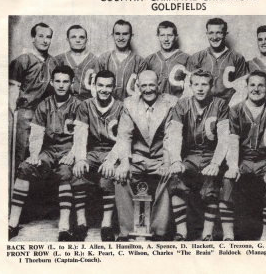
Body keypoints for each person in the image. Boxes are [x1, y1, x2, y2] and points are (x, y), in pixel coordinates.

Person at [9, 65, 81, 241]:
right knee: (25, 167)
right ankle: (12, 222)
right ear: (52, 82)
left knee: (65, 172)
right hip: (48, 151)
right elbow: (36, 133)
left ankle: (64, 226)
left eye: (65, 82)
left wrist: (74, 153)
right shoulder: (44, 104)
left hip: (69, 150)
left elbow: (82, 136)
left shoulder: (79, 105)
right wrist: (34, 153)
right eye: (58, 81)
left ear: (72, 83)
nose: (61, 85)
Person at [114, 70, 177, 241]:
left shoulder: (170, 103)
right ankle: (126, 231)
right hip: (138, 158)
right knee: (119, 174)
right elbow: (124, 135)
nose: (148, 89)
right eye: (144, 86)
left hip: (160, 158)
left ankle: (159, 231)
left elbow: (170, 136)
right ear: (138, 87)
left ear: (159, 85)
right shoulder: (129, 103)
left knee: (171, 174)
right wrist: (124, 163)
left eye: (151, 85)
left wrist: (167, 162)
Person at [168, 69, 230, 241]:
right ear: (191, 87)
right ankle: (182, 232)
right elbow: (174, 134)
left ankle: (207, 233)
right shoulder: (182, 104)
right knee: (175, 177)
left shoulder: (220, 104)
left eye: (204, 84)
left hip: (212, 155)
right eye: (196, 84)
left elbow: (224, 138)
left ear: (211, 86)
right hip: (190, 155)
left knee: (212, 181)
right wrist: (175, 160)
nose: (200, 88)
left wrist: (216, 163)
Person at [224, 70, 266, 241]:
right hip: (243, 160)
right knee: (227, 180)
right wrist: (233, 166)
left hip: (264, 160)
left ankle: (265, 236)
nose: (256, 89)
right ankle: (228, 235)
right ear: (247, 87)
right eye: (252, 85)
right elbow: (233, 141)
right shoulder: (236, 110)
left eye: (260, 85)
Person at [72, 70, 124, 241]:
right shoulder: (85, 105)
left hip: (112, 150)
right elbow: (80, 134)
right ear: (94, 86)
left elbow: (123, 139)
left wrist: (110, 160)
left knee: (109, 175)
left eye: (108, 86)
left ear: (113, 87)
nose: (104, 89)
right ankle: (81, 223)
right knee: (78, 171)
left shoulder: (121, 107)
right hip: (92, 150)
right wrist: (80, 158)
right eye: (100, 85)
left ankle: (106, 224)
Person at [9, 22, 58, 169]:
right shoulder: (22, 60)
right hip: (25, 114)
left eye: (48, 37)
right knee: (22, 154)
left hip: (45, 115)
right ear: (33, 38)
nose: (45, 40)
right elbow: (13, 93)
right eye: (41, 36)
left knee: (41, 156)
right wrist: (15, 114)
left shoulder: (54, 62)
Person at [187, 18, 248, 105]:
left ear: (225, 34)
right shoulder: (197, 57)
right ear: (207, 34)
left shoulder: (237, 58)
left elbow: (242, 90)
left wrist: (231, 108)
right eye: (211, 33)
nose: (214, 37)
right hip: (202, 105)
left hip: (228, 105)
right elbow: (189, 89)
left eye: (219, 33)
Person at [97, 19, 146, 101]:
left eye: (125, 34)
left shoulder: (140, 62)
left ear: (131, 35)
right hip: (107, 107)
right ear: (113, 35)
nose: (121, 38)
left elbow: (143, 90)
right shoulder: (103, 59)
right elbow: (96, 88)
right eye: (117, 34)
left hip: (131, 108)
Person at [144, 21, 190, 97]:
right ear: (158, 36)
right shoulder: (149, 60)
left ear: (176, 37)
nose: (166, 39)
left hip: (179, 104)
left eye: (170, 35)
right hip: (156, 105)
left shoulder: (186, 58)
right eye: (162, 35)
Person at [56, 25, 98, 101]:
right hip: (64, 102)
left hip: (88, 103)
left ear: (86, 40)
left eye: (81, 37)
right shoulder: (58, 59)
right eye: (73, 37)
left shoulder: (96, 60)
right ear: (67, 39)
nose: (77, 40)